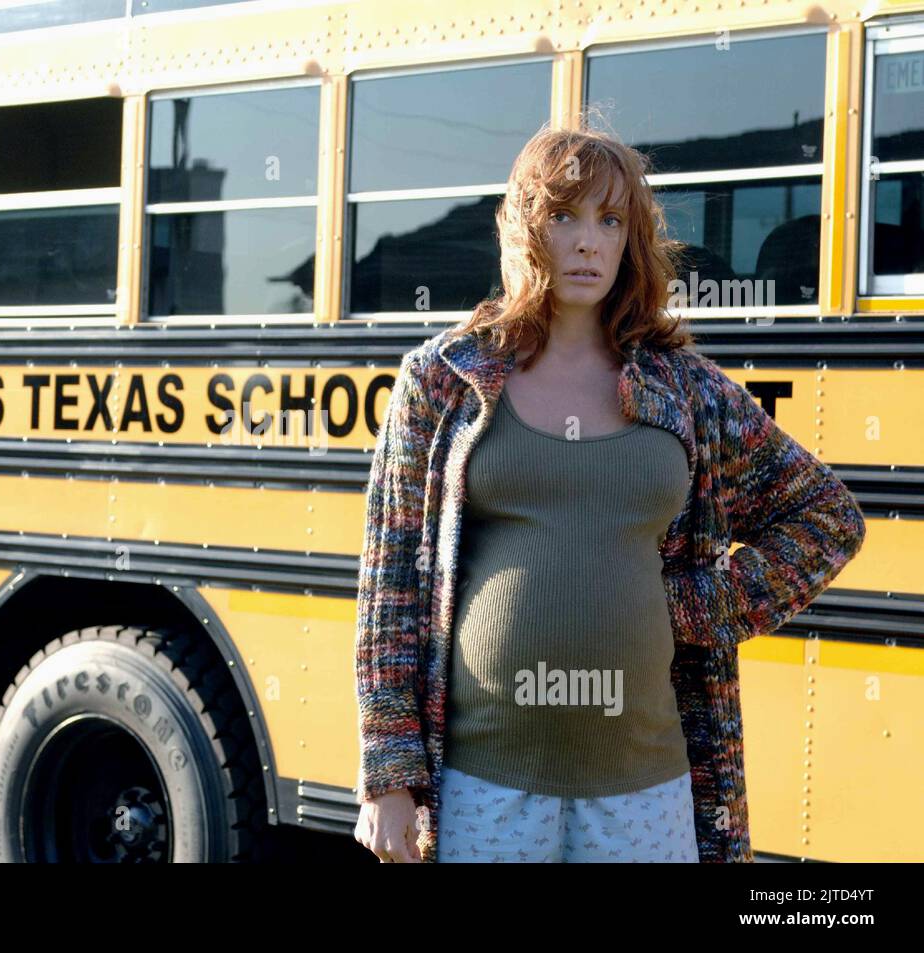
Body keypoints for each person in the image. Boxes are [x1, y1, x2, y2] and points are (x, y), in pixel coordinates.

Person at [352, 125, 867, 863]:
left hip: (645, 791)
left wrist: (693, 605)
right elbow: (390, 585)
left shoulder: (684, 388)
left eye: (610, 219)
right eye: (564, 216)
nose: (588, 241)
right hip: (485, 785)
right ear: (527, 226)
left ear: (631, 238)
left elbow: (828, 517)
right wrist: (389, 776)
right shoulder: (445, 381)